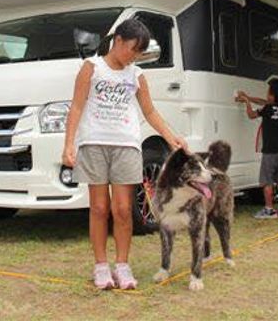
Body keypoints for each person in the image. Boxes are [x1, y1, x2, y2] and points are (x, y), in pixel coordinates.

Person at [62, 18, 187, 290]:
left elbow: (150, 112)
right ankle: (100, 267)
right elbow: (76, 107)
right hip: (94, 143)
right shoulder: (91, 68)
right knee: (98, 208)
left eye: (139, 53)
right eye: (133, 49)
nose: (134, 56)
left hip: (127, 146)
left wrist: (170, 136)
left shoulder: (136, 74)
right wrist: (68, 144)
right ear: (118, 41)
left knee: (122, 209)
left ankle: (122, 265)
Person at [234, 79, 278, 219]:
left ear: (273, 95)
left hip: (271, 152)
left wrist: (247, 102)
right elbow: (264, 102)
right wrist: (248, 97)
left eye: (268, 92)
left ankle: (269, 210)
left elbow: (251, 115)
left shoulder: (268, 109)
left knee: (266, 180)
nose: (266, 94)